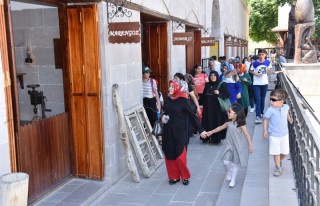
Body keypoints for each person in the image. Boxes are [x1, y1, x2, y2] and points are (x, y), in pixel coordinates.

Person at [161, 80, 207, 186]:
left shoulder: (183, 101)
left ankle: (184, 176)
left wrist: (201, 130)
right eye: (170, 86)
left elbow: (192, 116)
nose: (170, 88)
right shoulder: (167, 99)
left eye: (173, 86)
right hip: (168, 131)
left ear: (178, 87)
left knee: (180, 155)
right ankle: (174, 177)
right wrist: (162, 116)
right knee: (169, 154)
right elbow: (165, 111)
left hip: (180, 131)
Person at [206, 103, 253, 187]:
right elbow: (220, 127)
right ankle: (229, 171)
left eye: (229, 111)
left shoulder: (241, 124)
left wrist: (250, 145)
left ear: (236, 113)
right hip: (229, 145)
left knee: (235, 163)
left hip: (237, 146)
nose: (227, 113)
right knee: (226, 162)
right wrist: (211, 132)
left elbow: (247, 135)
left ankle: (233, 179)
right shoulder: (229, 122)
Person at [263, 89, 293, 177]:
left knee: (285, 152)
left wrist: (290, 119)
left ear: (282, 101)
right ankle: (278, 167)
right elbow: (266, 119)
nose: (271, 101)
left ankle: (279, 161)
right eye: (271, 99)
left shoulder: (286, 107)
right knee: (276, 152)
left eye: (274, 100)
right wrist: (265, 130)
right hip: (274, 134)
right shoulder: (270, 110)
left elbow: (286, 113)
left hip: (284, 133)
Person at [201, 71, 229, 144]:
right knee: (207, 122)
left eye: (214, 75)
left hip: (217, 110)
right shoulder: (207, 84)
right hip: (207, 108)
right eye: (211, 75)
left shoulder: (222, 84)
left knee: (216, 122)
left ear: (217, 76)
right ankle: (206, 137)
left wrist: (219, 93)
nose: (212, 77)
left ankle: (215, 139)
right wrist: (200, 104)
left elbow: (227, 94)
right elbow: (204, 95)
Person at [249, 49, 272, 124]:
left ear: (265, 55)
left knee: (262, 99)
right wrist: (256, 74)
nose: (261, 56)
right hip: (256, 84)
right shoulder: (255, 63)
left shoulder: (268, 62)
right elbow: (250, 71)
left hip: (264, 83)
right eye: (260, 54)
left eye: (262, 54)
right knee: (257, 99)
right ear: (258, 55)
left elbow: (269, 72)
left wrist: (268, 71)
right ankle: (257, 115)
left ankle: (261, 113)